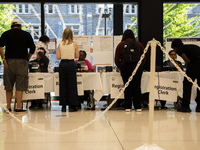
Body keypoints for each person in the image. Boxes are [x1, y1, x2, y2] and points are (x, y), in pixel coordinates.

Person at [0, 19, 35, 112]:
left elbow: (0, 46)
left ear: (11, 26)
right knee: (20, 85)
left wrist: (3, 59)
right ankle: (18, 107)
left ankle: (8, 107)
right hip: (22, 62)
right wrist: (28, 58)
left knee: (8, 85)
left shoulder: (5, 34)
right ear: (20, 26)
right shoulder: (26, 35)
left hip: (9, 62)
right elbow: (32, 48)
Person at [114, 29, 146, 112]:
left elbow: (116, 59)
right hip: (137, 66)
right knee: (137, 86)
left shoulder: (121, 44)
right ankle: (138, 107)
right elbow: (144, 57)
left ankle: (127, 106)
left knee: (127, 86)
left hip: (125, 67)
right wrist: (140, 66)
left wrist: (121, 67)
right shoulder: (139, 44)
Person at [171, 39, 200, 112]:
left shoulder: (180, 49)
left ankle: (185, 106)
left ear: (175, 47)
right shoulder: (191, 47)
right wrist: (181, 66)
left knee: (187, 84)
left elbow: (188, 61)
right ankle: (199, 106)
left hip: (194, 64)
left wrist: (184, 66)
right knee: (199, 85)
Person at [56, 28, 79, 112]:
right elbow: (77, 56)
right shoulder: (74, 44)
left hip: (62, 64)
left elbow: (58, 57)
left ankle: (63, 106)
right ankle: (72, 106)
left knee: (63, 85)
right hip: (71, 64)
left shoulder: (60, 44)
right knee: (72, 85)